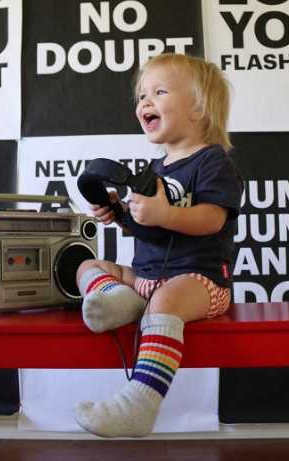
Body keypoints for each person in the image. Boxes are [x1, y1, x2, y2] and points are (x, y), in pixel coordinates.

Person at [74, 53, 244, 438]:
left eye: (159, 92)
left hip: (200, 284)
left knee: (166, 300)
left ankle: (139, 403)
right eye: (142, 96)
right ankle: (119, 298)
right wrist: (120, 214)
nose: (144, 103)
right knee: (89, 266)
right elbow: (149, 230)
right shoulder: (155, 170)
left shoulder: (213, 162)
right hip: (151, 281)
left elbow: (212, 219)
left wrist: (165, 214)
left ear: (198, 108)